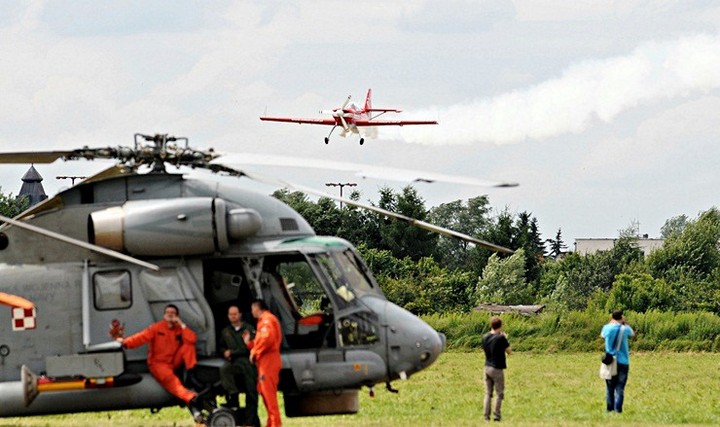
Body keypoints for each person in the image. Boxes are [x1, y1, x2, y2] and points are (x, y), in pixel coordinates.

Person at [119, 304, 204, 423]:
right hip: (158, 364)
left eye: (173, 313)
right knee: (172, 381)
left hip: (173, 362)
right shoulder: (157, 328)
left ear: (177, 316)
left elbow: (192, 339)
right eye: (168, 312)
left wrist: (181, 324)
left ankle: (191, 374)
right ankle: (191, 397)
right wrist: (126, 343)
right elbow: (141, 337)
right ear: (164, 315)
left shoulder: (179, 329)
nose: (170, 314)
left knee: (188, 345)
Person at [244, 299, 283, 427]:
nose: (251, 312)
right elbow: (261, 342)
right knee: (266, 396)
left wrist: (254, 351)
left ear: (256, 307)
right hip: (264, 363)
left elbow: (267, 339)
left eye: (252, 308)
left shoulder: (267, 320)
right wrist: (250, 344)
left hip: (269, 363)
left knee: (270, 399)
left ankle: (275, 424)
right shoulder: (263, 322)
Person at [219, 305, 259, 427]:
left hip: (248, 363)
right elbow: (221, 346)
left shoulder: (248, 328)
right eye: (231, 314)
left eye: (235, 314)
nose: (233, 316)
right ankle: (233, 397)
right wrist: (224, 352)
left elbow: (249, 347)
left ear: (240, 314)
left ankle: (251, 421)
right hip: (235, 363)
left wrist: (232, 352)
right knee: (225, 369)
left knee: (251, 393)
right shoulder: (226, 331)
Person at [601, 310, 635, 413]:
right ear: (621, 317)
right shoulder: (625, 329)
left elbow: (602, 336)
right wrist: (624, 323)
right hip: (623, 361)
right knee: (620, 387)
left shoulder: (606, 328)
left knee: (610, 387)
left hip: (610, 360)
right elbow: (632, 334)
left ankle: (609, 409)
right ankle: (618, 409)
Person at [481, 316, 511, 422]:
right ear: (500, 326)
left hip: (487, 367)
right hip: (497, 368)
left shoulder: (485, 337)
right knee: (499, 393)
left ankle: (486, 416)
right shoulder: (500, 338)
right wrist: (505, 339)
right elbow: (509, 351)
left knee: (488, 393)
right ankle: (497, 415)